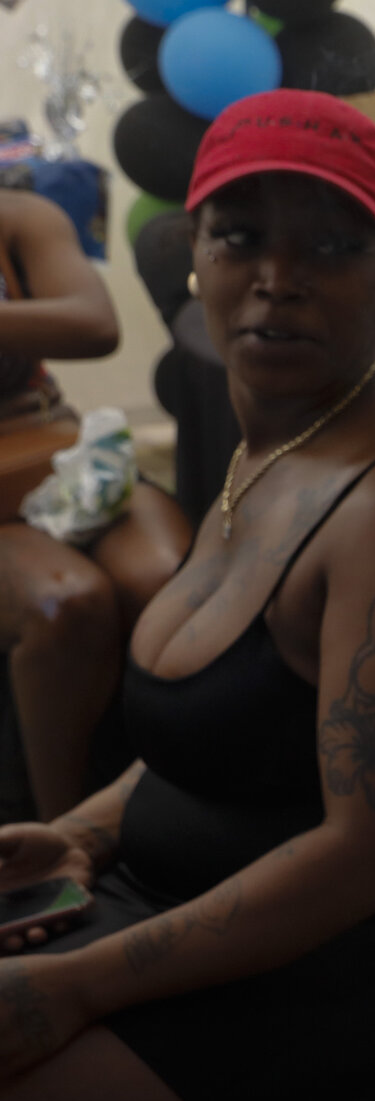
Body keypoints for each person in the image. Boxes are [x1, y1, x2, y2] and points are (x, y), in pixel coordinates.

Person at [0, 89, 375, 1101]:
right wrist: (84, 833)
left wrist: (78, 983)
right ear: (193, 254)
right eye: (240, 235)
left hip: (326, 980)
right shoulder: (270, 439)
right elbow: (242, 727)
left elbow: (369, 855)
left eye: (331, 246)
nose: (277, 276)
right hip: (174, 912)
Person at [0, 190, 192, 820]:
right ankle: (62, 842)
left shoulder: (19, 215)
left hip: (54, 454)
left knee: (169, 581)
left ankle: (198, 795)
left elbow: (93, 323)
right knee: (67, 604)